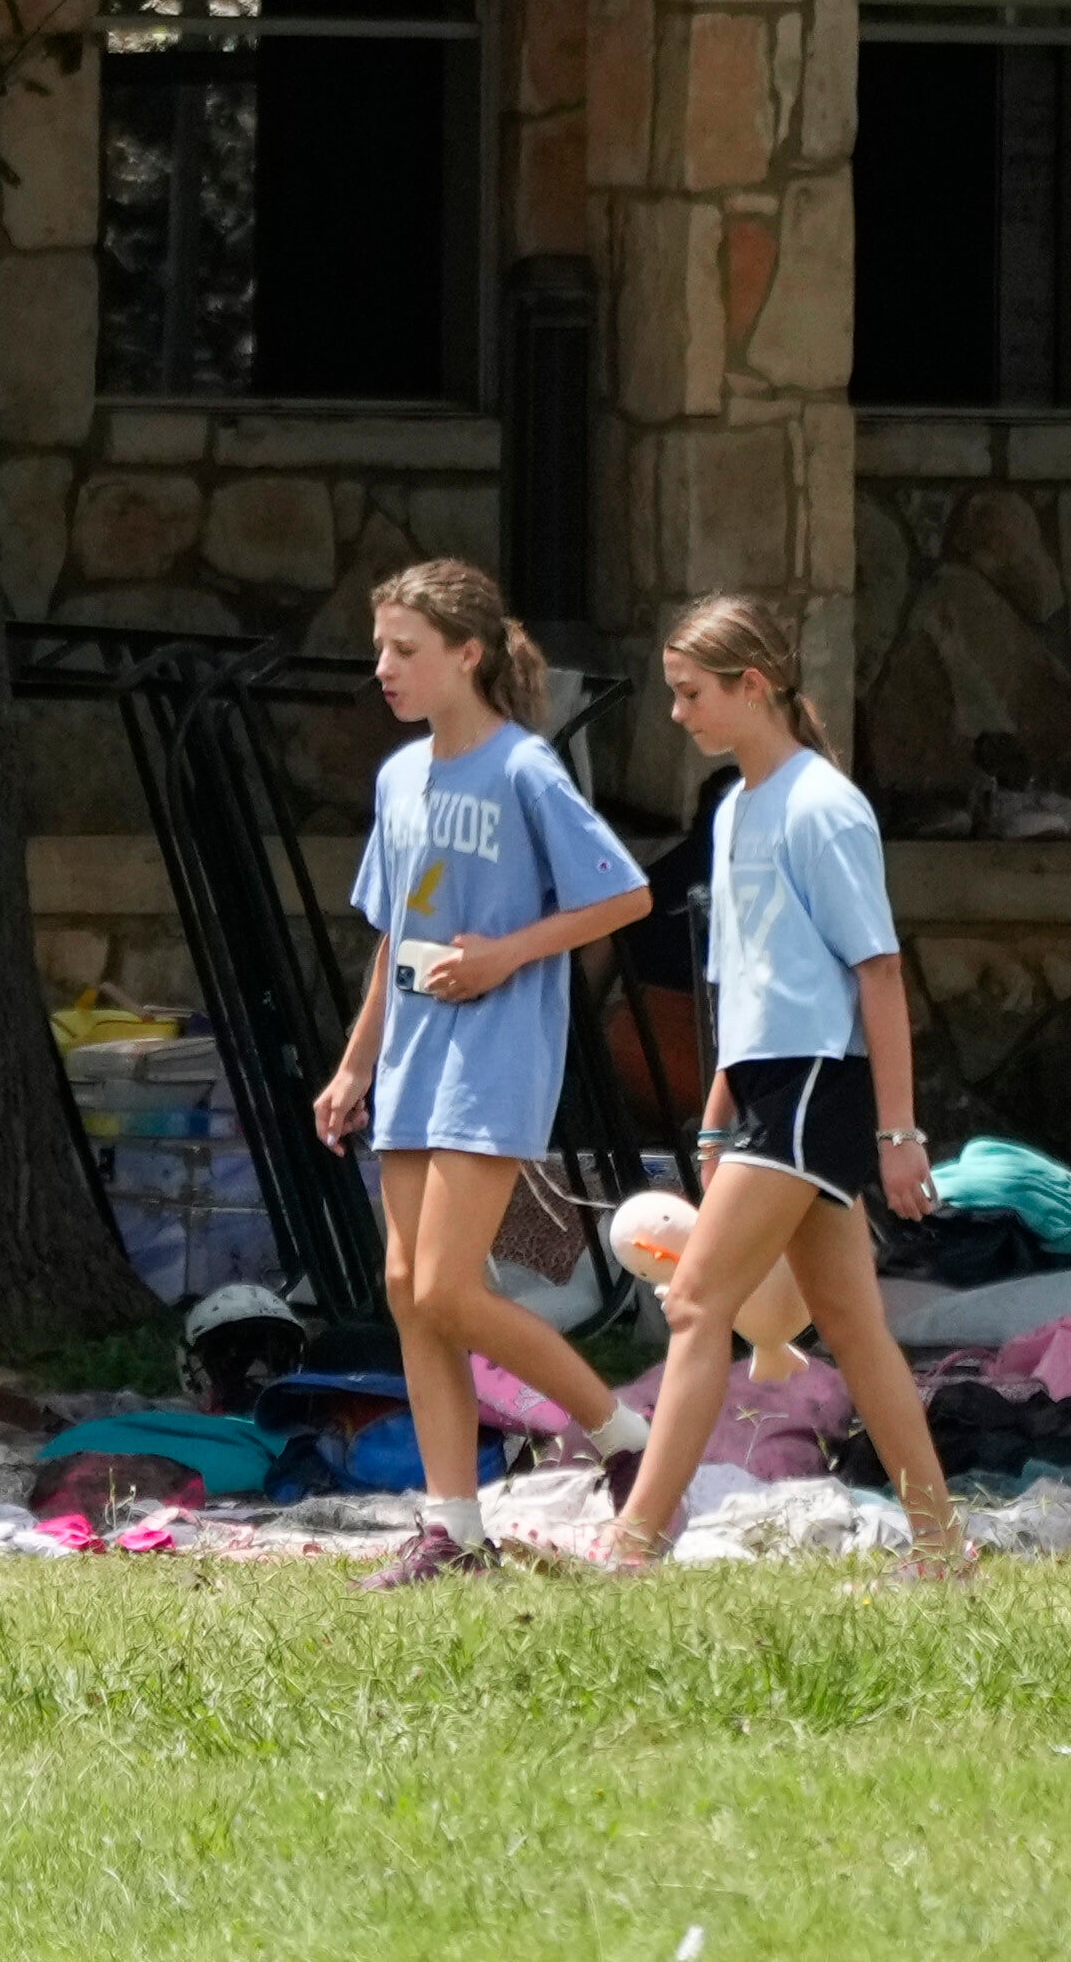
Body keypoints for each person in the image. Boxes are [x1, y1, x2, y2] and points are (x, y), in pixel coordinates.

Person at [598, 593, 970, 1578]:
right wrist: (718, 1113)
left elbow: (876, 972)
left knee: (692, 1305)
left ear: (750, 686)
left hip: (816, 1085)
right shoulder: (733, 812)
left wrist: (896, 1134)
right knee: (848, 1323)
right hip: (766, 1088)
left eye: (689, 694)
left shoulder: (822, 805)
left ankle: (631, 1543)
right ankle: (940, 1548)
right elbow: (747, 980)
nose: (675, 714)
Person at [315, 558, 657, 1588]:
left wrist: (510, 953)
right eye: (379, 649)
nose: (383, 668)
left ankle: (623, 1434)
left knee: (448, 1289)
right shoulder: (398, 778)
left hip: (495, 1055)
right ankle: (453, 1529)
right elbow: (396, 931)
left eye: (404, 651)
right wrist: (351, 1063)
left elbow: (623, 896)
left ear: (466, 655)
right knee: (406, 1293)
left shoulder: (523, 770)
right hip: (414, 1059)